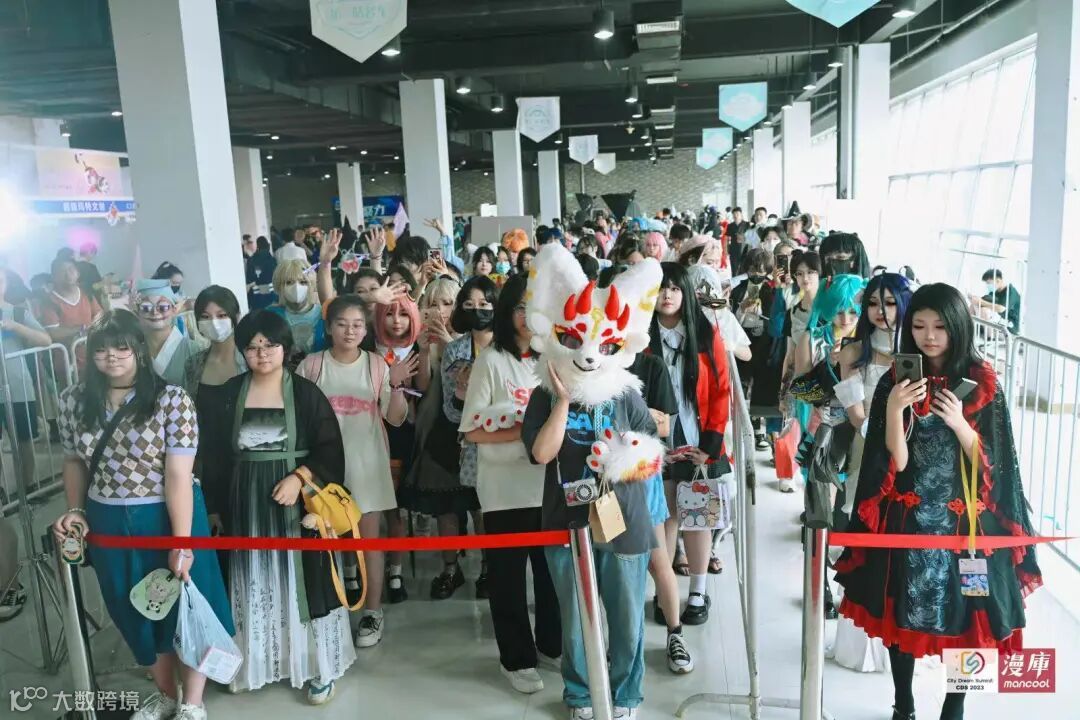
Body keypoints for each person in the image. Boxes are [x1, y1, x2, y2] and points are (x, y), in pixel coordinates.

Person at [834, 283, 1042, 720]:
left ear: (958, 327)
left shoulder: (983, 381)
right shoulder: (896, 379)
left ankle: (955, 706)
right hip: (909, 520)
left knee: (974, 620)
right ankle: (904, 703)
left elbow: (994, 464)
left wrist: (960, 424)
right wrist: (895, 408)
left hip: (969, 528)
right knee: (902, 612)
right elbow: (896, 460)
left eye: (940, 327)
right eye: (920, 326)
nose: (929, 336)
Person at [52, 310, 232, 720]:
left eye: (122, 347)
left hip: (167, 516)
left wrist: (181, 541)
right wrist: (76, 510)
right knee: (132, 608)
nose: (112, 357)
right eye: (101, 350)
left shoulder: (172, 400)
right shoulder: (73, 400)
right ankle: (166, 694)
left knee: (184, 606)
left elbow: (178, 475)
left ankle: (193, 703)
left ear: (138, 349)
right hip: (108, 520)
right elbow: (74, 461)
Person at [522, 244, 666, 719]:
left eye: (604, 346)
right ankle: (581, 693)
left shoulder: (626, 394)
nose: (590, 355)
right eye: (577, 340)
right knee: (575, 618)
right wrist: (563, 402)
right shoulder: (544, 395)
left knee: (626, 618)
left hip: (625, 522)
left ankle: (625, 695)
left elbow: (652, 458)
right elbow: (541, 453)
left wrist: (623, 459)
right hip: (565, 520)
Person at [201, 310, 355, 702]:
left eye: (270, 345)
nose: (262, 353)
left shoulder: (305, 393)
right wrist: (215, 507)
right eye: (253, 347)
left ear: (285, 348)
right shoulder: (228, 394)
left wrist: (300, 477)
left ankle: (319, 666)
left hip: (296, 505)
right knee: (252, 578)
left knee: (305, 584)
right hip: (244, 504)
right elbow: (215, 456)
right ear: (242, 351)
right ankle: (253, 663)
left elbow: (330, 449)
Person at [459, 275, 561, 694]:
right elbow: (470, 430)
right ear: (507, 312)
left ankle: (552, 646)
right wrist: (525, 431)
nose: (527, 316)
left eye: (534, 308)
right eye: (520, 307)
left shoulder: (553, 358)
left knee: (552, 574)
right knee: (508, 579)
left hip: (547, 485)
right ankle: (515, 659)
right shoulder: (491, 360)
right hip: (504, 489)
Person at [297, 295, 416, 649]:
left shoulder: (377, 365)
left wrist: (396, 385)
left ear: (366, 330)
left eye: (358, 325)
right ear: (328, 327)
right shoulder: (311, 366)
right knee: (327, 542)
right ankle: (331, 613)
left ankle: (372, 612)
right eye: (342, 324)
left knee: (369, 543)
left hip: (368, 464)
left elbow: (395, 418)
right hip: (323, 468)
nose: (350, 331)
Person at [828, 272, 913, 673]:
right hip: (866, 458)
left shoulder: (916, 353)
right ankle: (861, 643)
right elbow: (855, 413)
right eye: (875, 303)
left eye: (891, 303)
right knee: (866, 540)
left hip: (910, 459)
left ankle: (905, 642)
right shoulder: (853, 351)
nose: (882, 311)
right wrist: (879, 432)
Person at [649, 262, 732, 624]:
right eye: (660, 288)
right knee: (665, 514)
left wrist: (711, 443)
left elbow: (721, 389)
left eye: (674, 288)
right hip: (654, 440)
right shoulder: (639, 335)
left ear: (685, 293)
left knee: (698, 516)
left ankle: (698, 592)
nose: (667, 295)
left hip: (697, 437)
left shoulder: (704, 331)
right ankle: (665, 592)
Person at [427, 276, 498, 599]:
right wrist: (461, 395)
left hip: (503, 438)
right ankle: (451, 569)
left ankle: (488, 567)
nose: (477, 310)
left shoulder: (508, 348)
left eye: (484, 304)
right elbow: (449, 407)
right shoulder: (455, 350)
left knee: (486, 510)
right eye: (469, 304)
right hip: (461, 440)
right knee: (451, 506)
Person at [183, 286, 248, 533]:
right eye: (206, 317)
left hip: (247, 465)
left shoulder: (251, 360)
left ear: (235, 317)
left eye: (221, 315)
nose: (214, 323)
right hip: (208, 466)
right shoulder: (194, 365)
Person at [132, 280, 205, 387]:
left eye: (163, 307)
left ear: (174, 310)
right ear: (137, 313)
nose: (155, 312)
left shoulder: (195, 351)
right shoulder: (133, 352)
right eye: (146, 308)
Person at [38, 255, 103, 367]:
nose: (68, 274)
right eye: (62, 271)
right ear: (54, 277)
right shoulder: (49, 301)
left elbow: (99, 313)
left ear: (78, 273)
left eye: (71, 269)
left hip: (93, 356)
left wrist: (94, 326)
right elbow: (53, 333)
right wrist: (81, 329)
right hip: (67, 363)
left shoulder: (86, 291)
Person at [268, 259, 325, 355]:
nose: (296, 287)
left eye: (303, 282)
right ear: (279, 287)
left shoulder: (324, 315)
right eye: (289, 282)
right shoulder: (270, 316)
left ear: (311, 285)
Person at [969, 268, 1021, 334]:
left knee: (984, 310)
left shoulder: (1010, 291)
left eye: (989, 283)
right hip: (999, 320)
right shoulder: (995, 292)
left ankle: (990, 336)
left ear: (998, 281)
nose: (988, 286)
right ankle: (970, 330)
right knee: (973, 306)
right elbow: (986, 300)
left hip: (1010, 324)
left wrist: (980, 302)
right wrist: (975, 299)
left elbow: (1001, 308)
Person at [245, 236, 278, 311]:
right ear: (268, 245)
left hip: (257, 294)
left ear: (257, 246)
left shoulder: (252, 259)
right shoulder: (272, 260)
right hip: (271, 293)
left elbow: (249, 279)